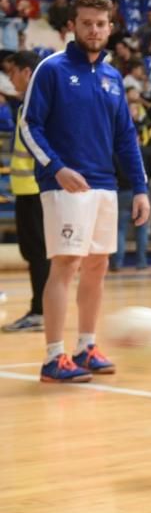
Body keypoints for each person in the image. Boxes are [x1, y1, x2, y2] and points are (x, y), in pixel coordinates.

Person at [21, 0, 150, 383]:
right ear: (72, 27)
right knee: (66, 265)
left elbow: (126, 137)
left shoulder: (112, 77)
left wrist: (140, 187)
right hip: (65, 185)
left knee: (97, 265)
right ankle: (53, 357)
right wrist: (57, 169)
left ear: (110, 28)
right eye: (86, 23)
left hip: (104, 185)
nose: (94, 30)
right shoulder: (52, 69)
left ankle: (86, 346)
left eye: (100, 24)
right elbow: (29, 126)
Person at [2, 51, 49, 332]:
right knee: (33, 252)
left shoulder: (37, 105)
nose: (9, 78)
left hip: (35, 190)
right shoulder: (25, 106)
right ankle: (40, 311)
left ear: (27, 73)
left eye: (13, 72)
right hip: (26, 190)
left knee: (38, 252)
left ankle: (40, 313)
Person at [111, 135, 150, 271]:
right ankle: (142, 262)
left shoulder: (115, 153)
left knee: (120, 230)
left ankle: (117, 263)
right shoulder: (142, 152)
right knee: (141, 230)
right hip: (140, 192)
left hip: (122, 193)